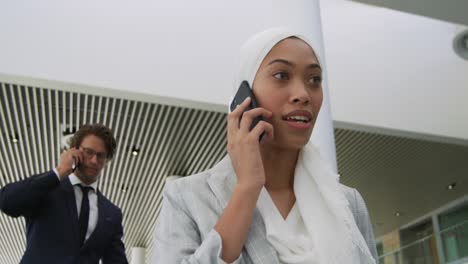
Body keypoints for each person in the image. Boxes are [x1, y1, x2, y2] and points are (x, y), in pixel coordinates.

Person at [152, 28, 378, 264]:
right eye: (281, 75)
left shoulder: (348, 204)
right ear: (245, 95)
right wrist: (247, 189)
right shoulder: (187, 197)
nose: (303, 94)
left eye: (314, 80)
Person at [0, 123, 128, 264]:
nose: (94, 160)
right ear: (74, 151)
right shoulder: (48, 188)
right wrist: (59, 172)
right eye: (88, 152)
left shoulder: (112, 213)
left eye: (101, 155)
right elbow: (7, 202)